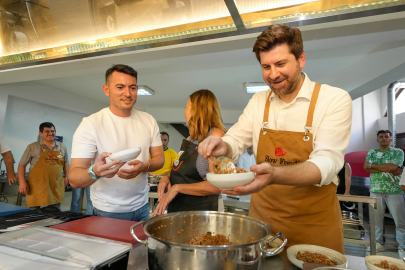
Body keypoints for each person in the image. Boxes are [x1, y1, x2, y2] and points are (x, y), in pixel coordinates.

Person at [197, 24, 352, 253]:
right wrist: (223, 145)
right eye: (266, 66)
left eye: (280, 64)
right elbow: (236, 140)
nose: (273, 74)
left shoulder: (334, 99)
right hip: (264, 222)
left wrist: (275, 175)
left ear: (301, 59)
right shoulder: (259, 101)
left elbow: (327, 163)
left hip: (314, 223)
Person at [69, 64, 164, 222]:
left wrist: (144, 166)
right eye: (120, 87)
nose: (127, 93)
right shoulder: (91, 124)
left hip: (142, 207)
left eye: (132, 87)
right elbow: (74, 178)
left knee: (141, 248)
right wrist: (95, 172)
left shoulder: (148, 120)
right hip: (106, 211)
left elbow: (159, 158)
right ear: (106, 90)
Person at [152, 90, 226, 216]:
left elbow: (217, 186)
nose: (184, 112)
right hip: (177, 211)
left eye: (186, 107)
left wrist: (177, 188)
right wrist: (167, 177)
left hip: (201, 215)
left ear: (196, 110)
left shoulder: (216, 136)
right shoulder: (189, 139)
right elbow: (180, 171)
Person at [364, 130, 405, 258]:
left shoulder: (398, 152)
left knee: (400, 222)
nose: (384, 138)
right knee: (376, 220)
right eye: (381, 137)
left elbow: (393, 167)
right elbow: (366, 167)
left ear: (391, 139)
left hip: (394, 191)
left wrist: (373, 166)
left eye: (387, 136)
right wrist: (388, 167)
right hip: (375, 189)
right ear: (377, 139)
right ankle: (378, 243)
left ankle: (402, 247)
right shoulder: (372, 152)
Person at [18, 122, 69, 209]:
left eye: (52, 131)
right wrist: (22, 182)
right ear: (40, 133)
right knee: (34, 214)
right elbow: (21, 165)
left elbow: (66, 163)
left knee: (54, 214)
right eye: (47, 131)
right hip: (37, 185)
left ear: (55, 132)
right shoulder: (32, 147)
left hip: (56, 185)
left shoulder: (62, 147)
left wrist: (67, 177)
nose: (50, 133)